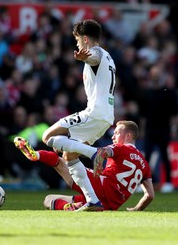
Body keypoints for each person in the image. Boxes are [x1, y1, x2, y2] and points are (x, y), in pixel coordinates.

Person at [30, 19, 116, 211]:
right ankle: (93, 201)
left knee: (48, 136)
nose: (77, 45)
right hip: (106, 116)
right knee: (69, 155)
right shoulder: (109, 57)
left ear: (85, 39)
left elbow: (93, 56)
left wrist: (83, 57)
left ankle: (95, 154)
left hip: (94, 113)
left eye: (77, 41)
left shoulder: (97, 53)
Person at [14, 120, 154, 211]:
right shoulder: (145, 165)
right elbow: (150, 195)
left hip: (101, 186)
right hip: (110, 206)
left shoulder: (121, 148)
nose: (113, 136)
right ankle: (73, 207)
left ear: (128, 136)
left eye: (116, 133)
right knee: (48, 199)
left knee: (64, 159)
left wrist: (95, 157)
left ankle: (36, 155)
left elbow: (103, 152)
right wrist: (136, 209)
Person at [139, 64, 178, 193]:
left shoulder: (169, 92)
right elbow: (143, 115)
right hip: (150, 129)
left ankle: (168, 182)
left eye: (158, 73)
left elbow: (174, 113)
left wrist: (173, 128)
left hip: (164, 129)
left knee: (165, 156)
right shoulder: (146, 93)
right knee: (146, 157)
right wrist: (143, 130)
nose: (155, 75)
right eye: (153, 73)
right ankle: (144, 183)